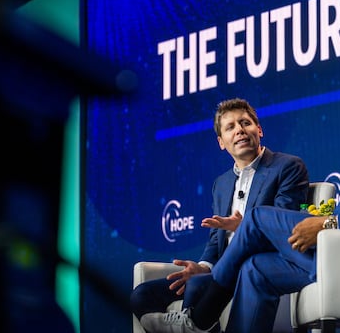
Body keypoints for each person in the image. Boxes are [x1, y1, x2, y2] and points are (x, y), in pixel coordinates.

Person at [139, 43, 340, 333]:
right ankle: (206, 306)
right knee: (256, 271)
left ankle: (200, 317)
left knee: (255, 220)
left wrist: (328, 224)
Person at [131, 98, 309, 330]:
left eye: (245, 123)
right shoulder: (221, 184)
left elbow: (282, 224)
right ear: (221, 143)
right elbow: (216, 240)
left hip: (258, 266)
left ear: (259, 130)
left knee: (196, 288)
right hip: (220, 271)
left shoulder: (287, 167)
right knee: (142, 295)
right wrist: (203, 266)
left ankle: (191, 324)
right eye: (230, 127)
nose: (240, 131)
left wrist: (244, 227)